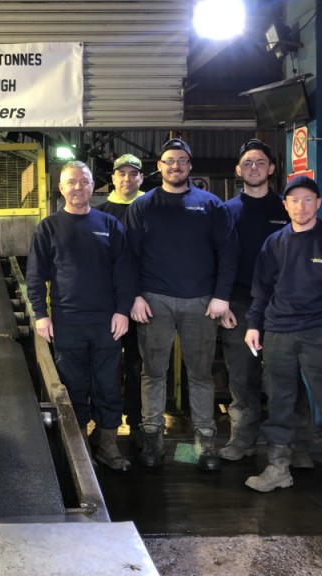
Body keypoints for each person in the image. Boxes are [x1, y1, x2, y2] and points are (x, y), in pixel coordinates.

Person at [244, 175, 322, 512]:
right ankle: (277, 469)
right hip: (278, 335)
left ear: (318, 203)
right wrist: (253, 326)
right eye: (293, 200)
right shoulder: (274, 243)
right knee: (280, 404)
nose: (300, 206)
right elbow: (260, 291)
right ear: (284, 205)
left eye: (307, 199)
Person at [125, 138, 237, 472]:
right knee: (153, 373)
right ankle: (153, 443)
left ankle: (205, 445)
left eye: (182, 161)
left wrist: (221, 295)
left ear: (190, 166)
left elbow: (228, 252)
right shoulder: (142, 206)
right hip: (153, 301)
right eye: (169, 161)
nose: (176, 166)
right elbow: (128, 257)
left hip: (201, 302)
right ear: (158, 167)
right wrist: (134, 297)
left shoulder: (211, 204)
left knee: (200, 375)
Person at [27, 160, 136, 472]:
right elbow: (35, 277)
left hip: (106, 323)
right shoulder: (48, 227)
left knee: (107, 384)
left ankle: (108, 445)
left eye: (84, 182)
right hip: (67, 322)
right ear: (61, 188)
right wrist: (40, 314)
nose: (78, 187)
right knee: (74, 386)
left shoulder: (109, 224)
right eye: (71, 182)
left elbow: (123, 272)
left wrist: (121, 311)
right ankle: (79, 447)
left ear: (93, 186)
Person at [218, 139, 313, 464]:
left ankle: (293, 445)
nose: (254, 168)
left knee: (286, 374)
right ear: (238, 170)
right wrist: (224, 302)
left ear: (272, 168)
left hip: (283, 305)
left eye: (260, 162)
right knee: (242, 375)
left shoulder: (286, 208)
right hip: (241, 303)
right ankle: (242, 438)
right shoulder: (227, 211)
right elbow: (218, 259)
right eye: (247, 163)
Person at [96, 153, 145, 439]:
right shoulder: (100, 213)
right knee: (108, 365)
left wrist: (139, 295)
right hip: (108, 304)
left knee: (139, 364)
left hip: (141, 303)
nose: (127, 179)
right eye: (122, 173)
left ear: (141, 178)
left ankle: (138, 422)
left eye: (133, 174)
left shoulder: (150, 208)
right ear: (113, 178)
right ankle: (107, 427)